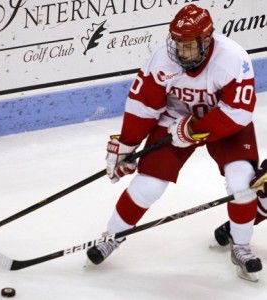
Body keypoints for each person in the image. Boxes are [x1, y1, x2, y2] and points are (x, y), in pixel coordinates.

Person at [86, 4, 263, 281]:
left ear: (206, 40)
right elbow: (143, 105)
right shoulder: (161, 61)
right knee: (148, 186)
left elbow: (238, 112)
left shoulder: (232, 59)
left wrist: (193, 130)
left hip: (222, 123)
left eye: (189, 46)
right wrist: (128, 146)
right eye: (177, 44)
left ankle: (240, 246)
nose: (181, 52)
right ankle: (112, 236)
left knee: (241, 182)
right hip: (174, 118)